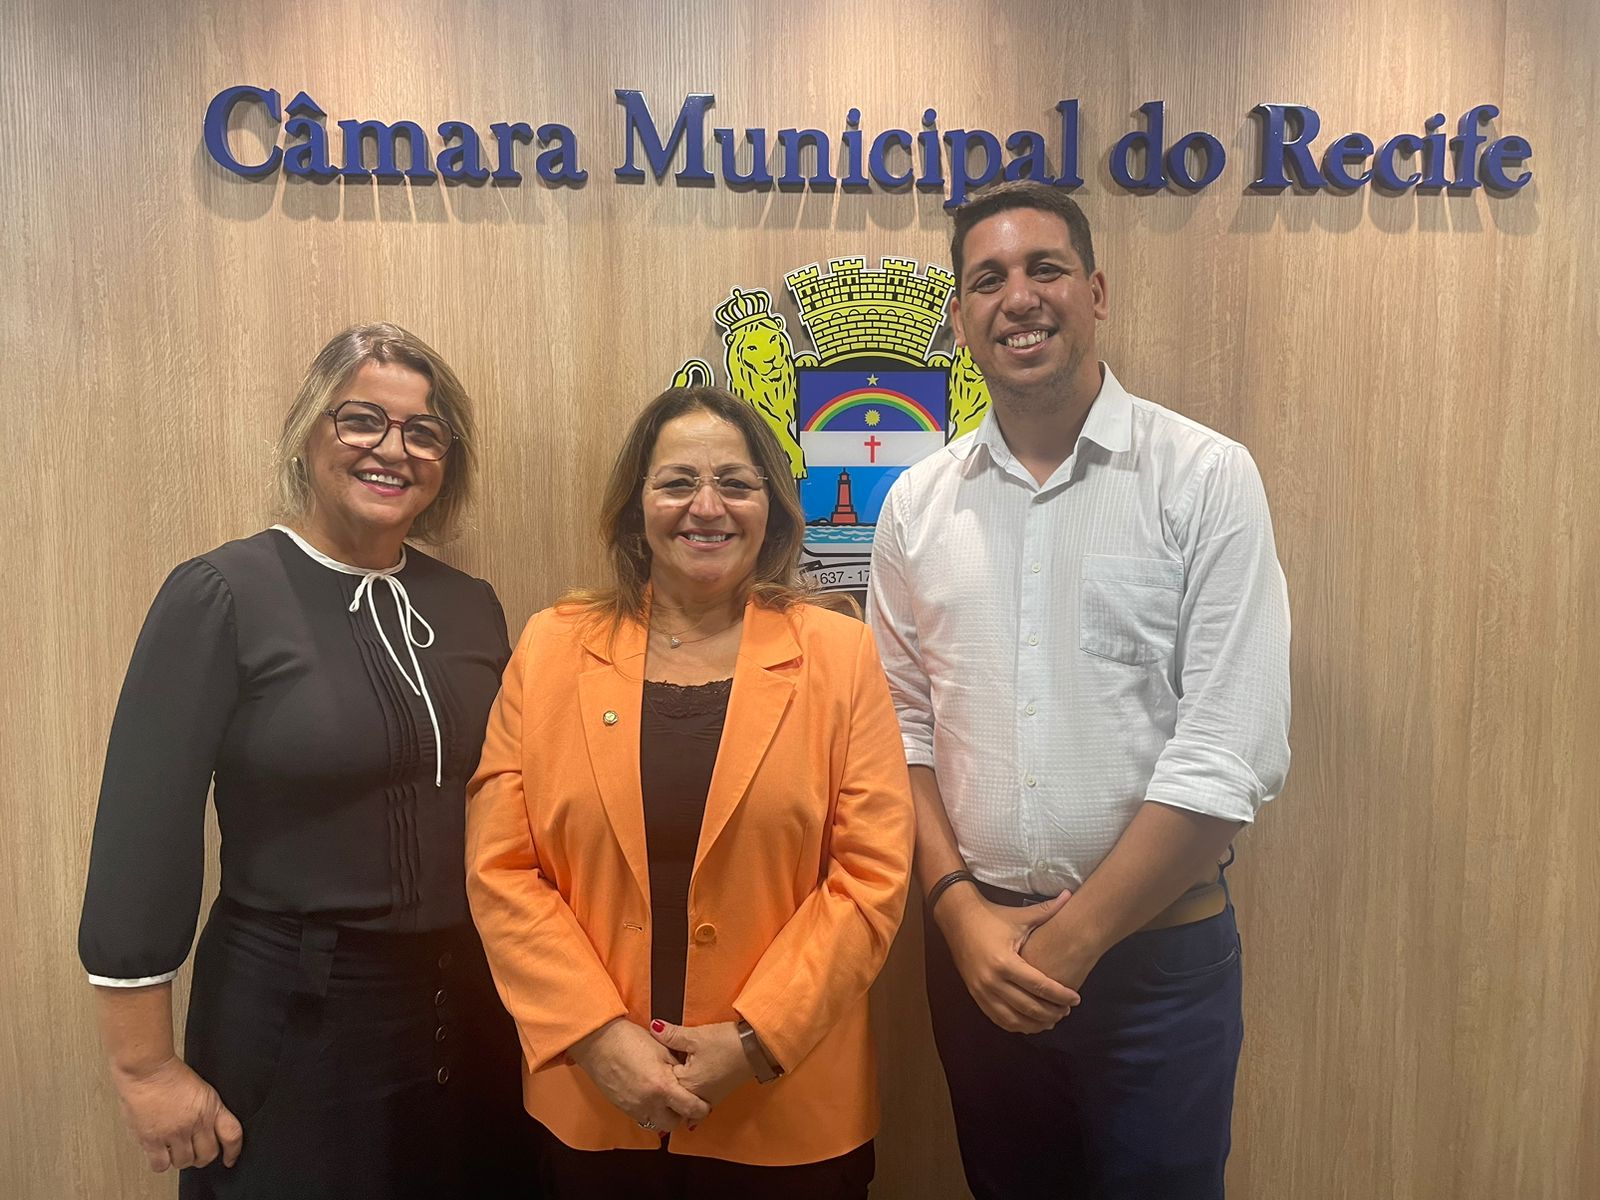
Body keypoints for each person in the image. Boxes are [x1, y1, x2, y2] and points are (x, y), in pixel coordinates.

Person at [867, 180, 1292, 1199]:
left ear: (1095, 291)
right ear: (960, 318)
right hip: (975, 962)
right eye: (987, 280)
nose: (1019, 297)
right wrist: (958, 914)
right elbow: (900, 731)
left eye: (1044, 269)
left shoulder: (1203, 477)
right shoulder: (917, 506)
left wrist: (1073, 937)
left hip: (1155, 974)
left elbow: (1227, 746)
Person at [78, 323, 532, 1199]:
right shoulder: (222, 593)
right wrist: (144, 1069)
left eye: (423, 431)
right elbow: (144, 835)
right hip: (292, 1009)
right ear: (309, 432)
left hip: (468, 1003)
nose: (392, 449)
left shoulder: (470, 606)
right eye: (361, 419)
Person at [466, 385, 914, 1199]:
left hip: (786, 1107)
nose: (706, 507)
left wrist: (752, 1039)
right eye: (677, 482)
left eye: (735, 484)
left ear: (771, 509)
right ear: (636, 507)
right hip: (597, 1106)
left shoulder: (841, 655)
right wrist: (595, 1034)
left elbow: (871, 877)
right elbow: (501, 867)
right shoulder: (551, 645)